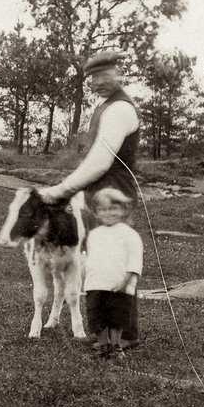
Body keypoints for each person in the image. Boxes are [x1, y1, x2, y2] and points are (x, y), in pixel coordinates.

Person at [40, 49, 141, 344]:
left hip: (115, 196)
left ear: (119, 74)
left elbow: (100, 161)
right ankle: (104, 333)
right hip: (98, 195)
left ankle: (125, 335)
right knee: (100, 263)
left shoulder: (120, 109)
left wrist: (62, 190)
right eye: (92, 78)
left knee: (116, 262)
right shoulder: (105, 106)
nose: (96, 82)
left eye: (103, 75)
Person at [83, 188, 143, 358]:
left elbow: (135, 260)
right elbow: (91, 258)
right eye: (103, 209)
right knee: (97, 318)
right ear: (96, 213)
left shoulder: (129, 234)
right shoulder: (94, 234)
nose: (108, 213)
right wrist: (84, 275)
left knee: (116, 317)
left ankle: (116, 347)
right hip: (96, 284)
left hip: (118, 284)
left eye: (113, 208)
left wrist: (126, 281)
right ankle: (104, 347)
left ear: (123, 210)